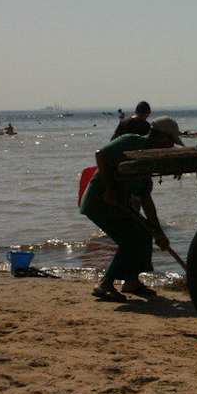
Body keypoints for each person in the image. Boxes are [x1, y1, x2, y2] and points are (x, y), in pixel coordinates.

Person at [79, 117, 184, 300]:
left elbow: (146, 201)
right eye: (170, 142)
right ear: (160, 137)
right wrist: (110, 189)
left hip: (119, 203)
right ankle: (105, 285)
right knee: (129, 240)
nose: (170, 147)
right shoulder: (130, 141)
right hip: (100, 200)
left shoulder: (148, 162)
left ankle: (132, 282)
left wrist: (158, 232)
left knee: (144, 234)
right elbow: (100, 155)